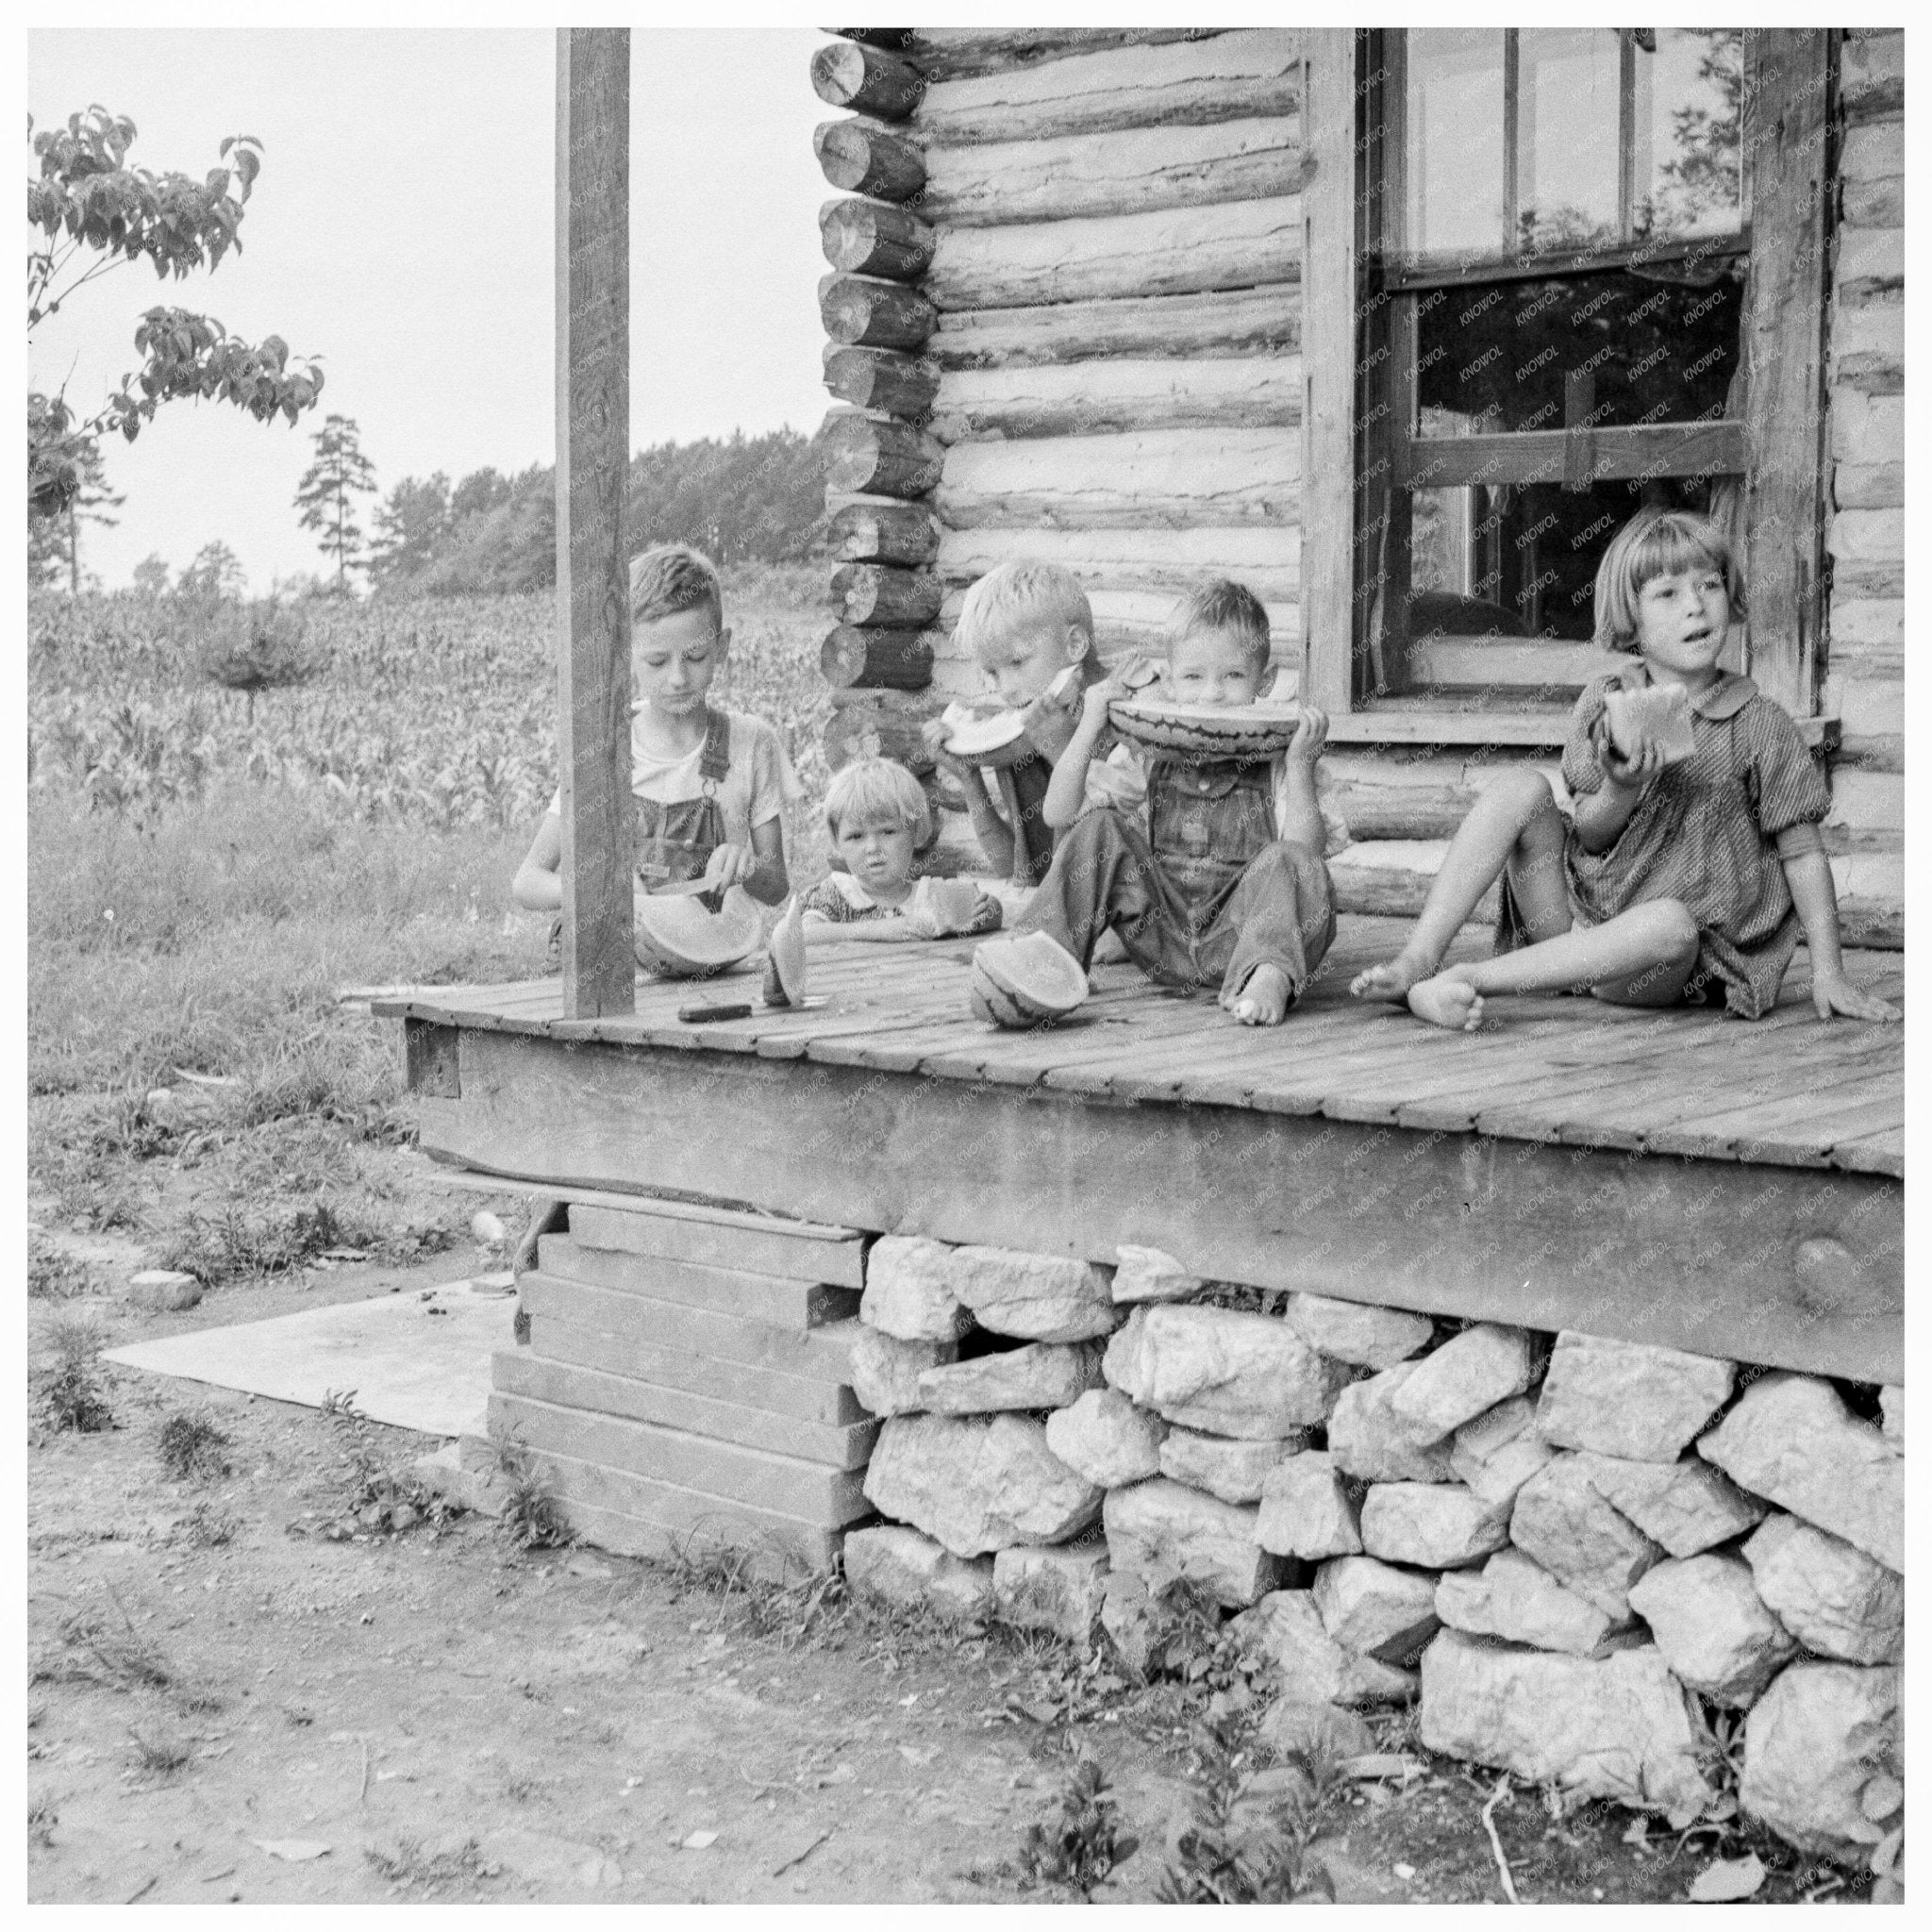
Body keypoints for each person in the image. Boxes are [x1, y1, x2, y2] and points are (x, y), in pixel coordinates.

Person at [1350, 508, 1900, 1029]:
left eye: (1709, 584)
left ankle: (1469, 980)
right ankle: (1420, 959)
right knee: (1519, 787)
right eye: (1668, 593)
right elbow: (1590, 836)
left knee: (1671, 922)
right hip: (1575, 919)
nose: (1695, 606)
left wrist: (1830, 973)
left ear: (1731, 600)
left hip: (1662, 962)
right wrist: (1620, 786)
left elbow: (1802, 854)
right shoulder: (1607, 701)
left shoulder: (1760, 723)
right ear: (1630, 622)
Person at [975, 578, 1341, 1027]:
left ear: (1265, 681)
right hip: (1162, 938)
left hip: (1242, 940)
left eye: (1233, 676)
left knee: (1291, 861)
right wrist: (1090, 724)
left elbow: (1307, 854)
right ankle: (1040, 955)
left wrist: (1301, 766)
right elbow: (1059, 814)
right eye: (1193, 677)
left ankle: (1271, 974)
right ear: (1170, 681)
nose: (1211, 694)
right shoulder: (1149, 754)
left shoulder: (1282, 758)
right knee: (1101, 825)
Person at [512, 543, 798, 936]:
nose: (678, 678)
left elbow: (776, 887)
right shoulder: (602, 746)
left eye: (695, 657)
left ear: (722, 648)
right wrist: (601, 890)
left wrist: (746, 867)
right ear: (625, 653)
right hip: (612, 971)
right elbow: (528, 881)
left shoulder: (752, 744)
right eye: (657, 662)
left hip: (709, 960)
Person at [921, 560, 1108, 885]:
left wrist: (1063, 751)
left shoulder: (1118, 720)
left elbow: (1109, 863)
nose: (1005, 690)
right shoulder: (1020, 740)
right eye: (993, 672)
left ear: (1075, 645)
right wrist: (969, 779)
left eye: (1017, 661)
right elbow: (1013, 867)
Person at [799, 756, 1003, 940]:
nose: (872, 848)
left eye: (887, 832)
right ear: (837, 843)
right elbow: (805, 934)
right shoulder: (836, 894)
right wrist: (883, 929)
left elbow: (985, 913)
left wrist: (990, 911)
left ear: (916, 833)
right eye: (856, 836)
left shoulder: (930, 895)